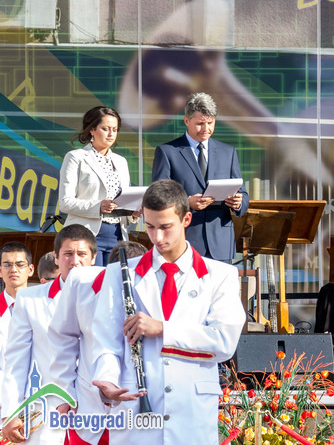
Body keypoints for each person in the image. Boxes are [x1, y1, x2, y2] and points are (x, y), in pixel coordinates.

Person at [91, 179, 246, 444]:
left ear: (186, 219)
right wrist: (107, 380)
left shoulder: (221, 275)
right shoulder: (118, 273)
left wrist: (163, 329)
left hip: (192, 411)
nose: (157, 237)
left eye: (165, 227)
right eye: (150, 226)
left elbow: (224, 342)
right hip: (136, 405)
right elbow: (106, 339)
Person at [1, 225, 97, 444]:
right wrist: (10, 412)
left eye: (82, 254)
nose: (74, 261)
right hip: (47, 413)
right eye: (68, 254)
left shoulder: (109, 298)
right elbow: (16, 361)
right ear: (56, 257)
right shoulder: (30, 300)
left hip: (97, 413)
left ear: (93, 258)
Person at [49, 240, 146, 445]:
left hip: (137, 412)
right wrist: (64, 393)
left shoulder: (151, 290)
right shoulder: (80, 283)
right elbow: (63, 339)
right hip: (88, 408)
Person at [151, 92, 248, 263]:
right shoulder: (167, 152)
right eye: (200, 123)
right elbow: (157, 197)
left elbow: (244, 196)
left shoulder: (228, 152)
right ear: (186, 121)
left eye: (210, 123)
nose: (206, 129)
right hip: (184, 240)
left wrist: (238, 202)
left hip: (221, 242)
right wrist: (187, 202)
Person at [59, 106, 138, 266]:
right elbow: (65, 203)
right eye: (105, 129)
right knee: (92, 281)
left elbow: (123, 199)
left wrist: (133, 212)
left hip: (118, 236)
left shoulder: (121, 161)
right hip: (86, 235)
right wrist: (98, 206)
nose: (111, 134)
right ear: (92, 130)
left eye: (114, 130)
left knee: (115, 281)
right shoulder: (76, 158)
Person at [0, 242, 35, 398]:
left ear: (30, 270)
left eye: (20, 264)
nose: (13, 269)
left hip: (38, 393)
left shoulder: (44, 307)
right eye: (7, 265)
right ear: (0, 271)